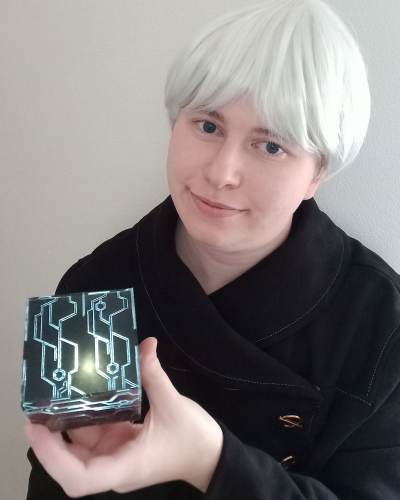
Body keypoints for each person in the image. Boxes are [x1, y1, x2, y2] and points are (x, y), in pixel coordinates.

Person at [24, 0, 400, 498]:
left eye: (271, 146)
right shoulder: (91, 289)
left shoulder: (381, 324)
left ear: (318, 173)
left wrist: (211, 462)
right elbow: (56, 478)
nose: (221, 173)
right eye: (207, 126)